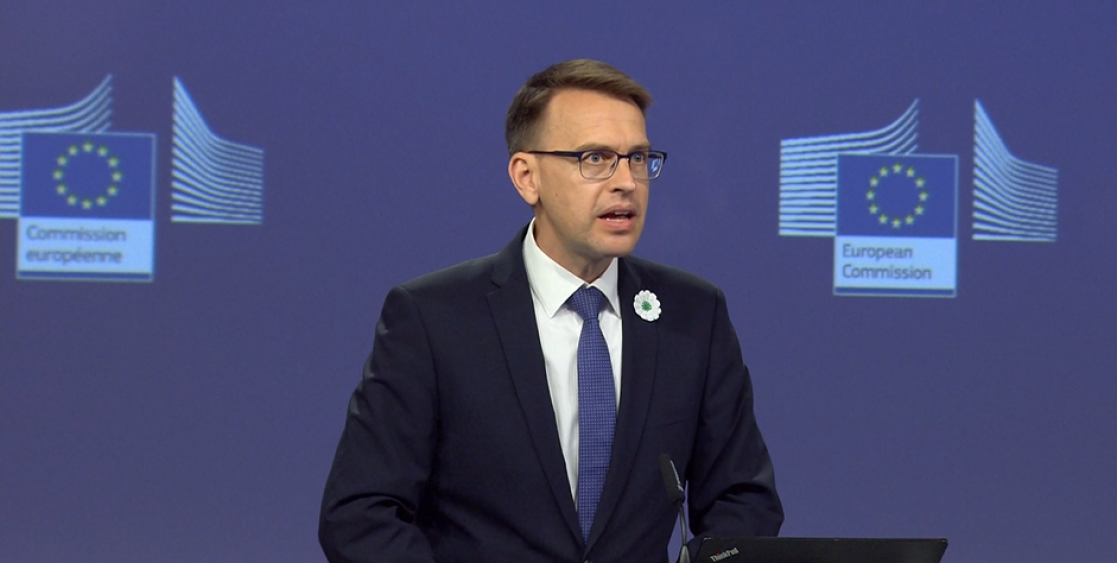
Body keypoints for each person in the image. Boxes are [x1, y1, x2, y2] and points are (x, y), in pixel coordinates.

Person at [319, 59, 783, 563]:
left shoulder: (694, 315)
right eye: (595, 158)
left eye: (638, 158)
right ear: (527, 177)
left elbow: (743, 501)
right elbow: (360, 513)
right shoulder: (433, 318)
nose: (626, 181)